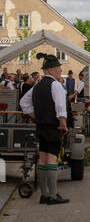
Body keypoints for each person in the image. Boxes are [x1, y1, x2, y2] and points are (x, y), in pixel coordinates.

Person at [20, 52, 69, 205]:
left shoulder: (37, 86)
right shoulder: (56, 85)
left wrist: (36, 116)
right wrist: (63, 123)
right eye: (59, 69)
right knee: (52, 158)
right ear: (52, 70)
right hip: (53, 126)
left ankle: (44, 194)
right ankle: (53, 195)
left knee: (42, 159)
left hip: (40, 126)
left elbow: (23, 103)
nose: (61, 71)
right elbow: (60, 106)